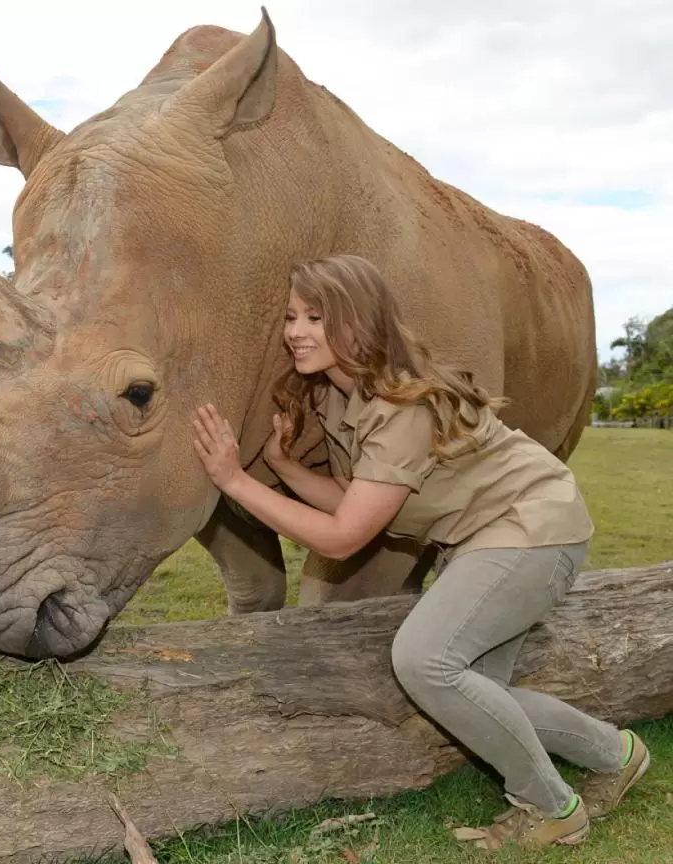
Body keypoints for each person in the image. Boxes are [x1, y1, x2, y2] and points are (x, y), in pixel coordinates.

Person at [191, 254, 651, 851]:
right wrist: (278, 466)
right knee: (482, 694)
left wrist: (235, 481)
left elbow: (343, 538)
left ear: (358, 324)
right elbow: (356, 502)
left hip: (533, 527)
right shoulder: (339, 396)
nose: (294, 332)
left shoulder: (400, 408)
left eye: (314, 318)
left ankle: (551, 807)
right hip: (487, 536)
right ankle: (618, 755)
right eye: (291, 317)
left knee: (425, 660)